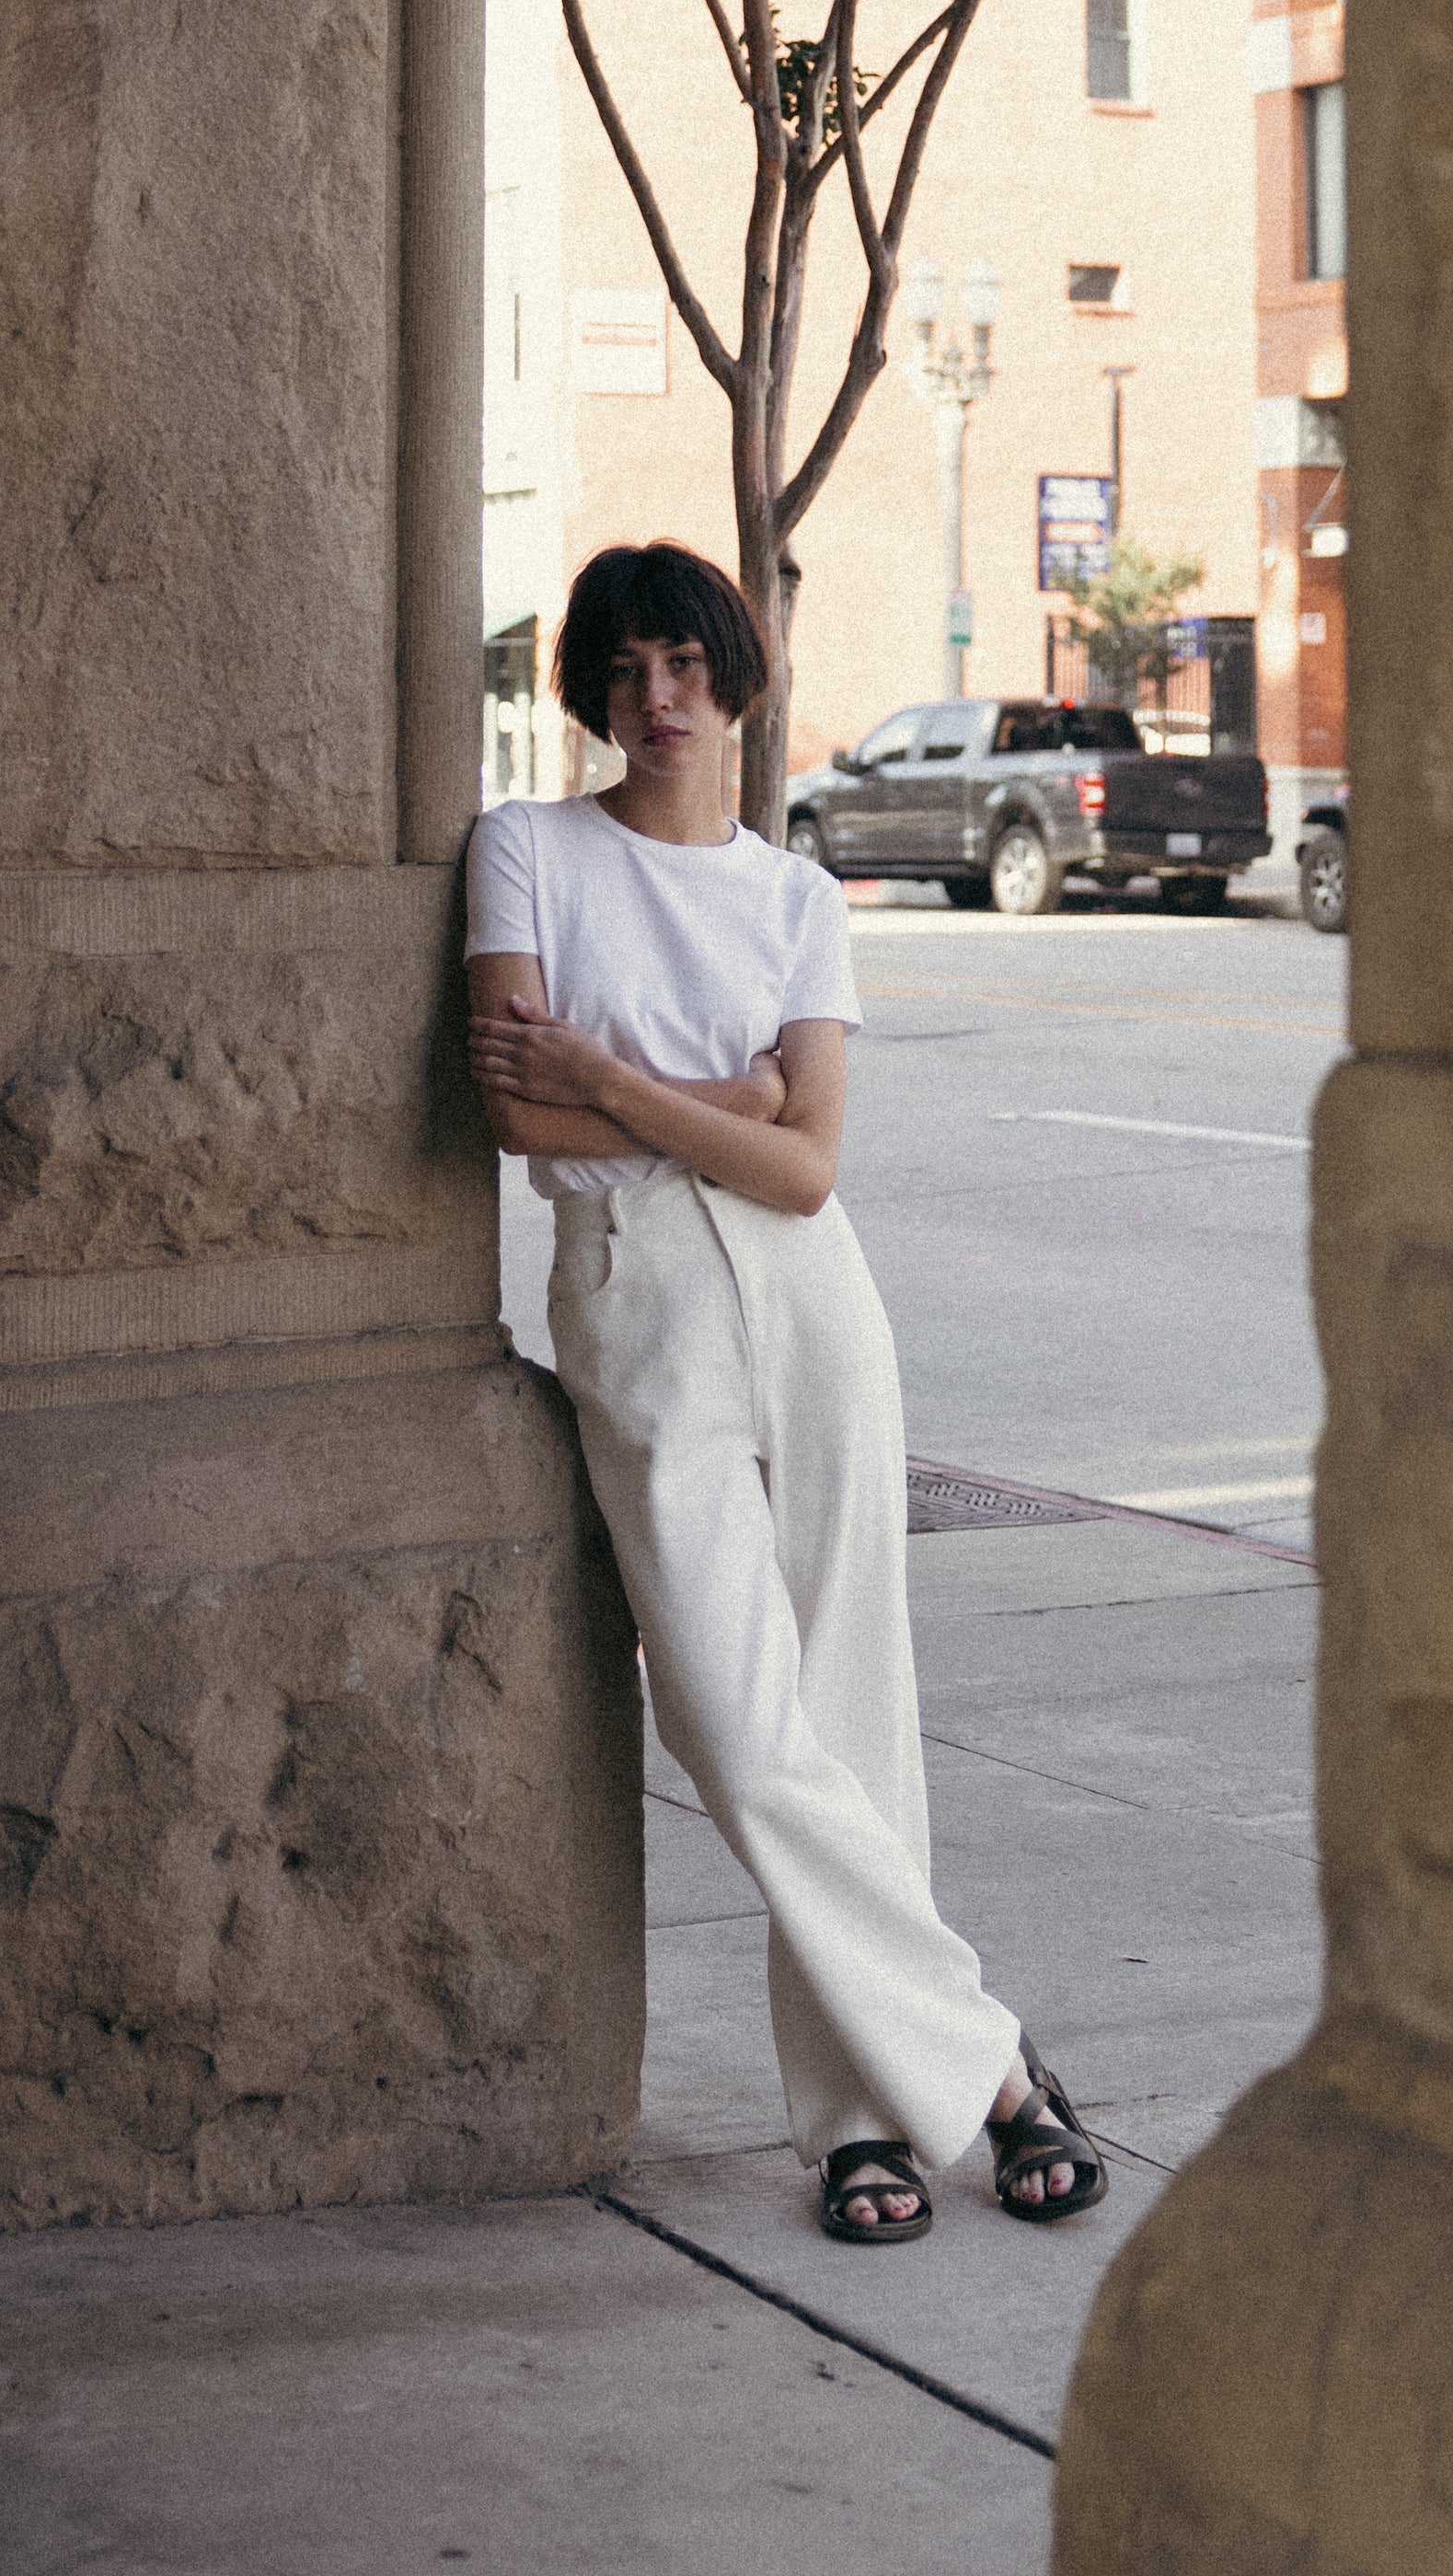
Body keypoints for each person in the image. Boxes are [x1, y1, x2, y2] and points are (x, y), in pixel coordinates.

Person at [465, 537, 1109, 2249]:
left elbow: (809, 1167)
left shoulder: (793, 895)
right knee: (742, 1729)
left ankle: (857, 2129)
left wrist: (614, 1072)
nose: (650, 702)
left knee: (854, 1712)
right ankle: (987, 2072)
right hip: (638, 1297)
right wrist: (709, 1100)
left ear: (734, 680)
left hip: (815, 1305)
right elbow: (524, 1120)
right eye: (618, 675)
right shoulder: (526, 851)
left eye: (680, 667)